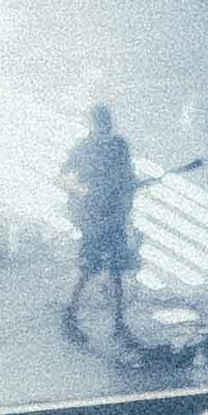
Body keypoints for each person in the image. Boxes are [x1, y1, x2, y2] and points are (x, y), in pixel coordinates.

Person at [57, 99, 139, 348]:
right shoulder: (84, 148)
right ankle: (69, 315)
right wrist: (83, 192)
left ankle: (117, 321)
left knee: (114, 271)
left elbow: (127, 178)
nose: (104, 127)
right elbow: (62, 177)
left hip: (112, 218)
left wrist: (126, 197)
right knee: (87, 269)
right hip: (94, 220)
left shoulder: (118, 146)